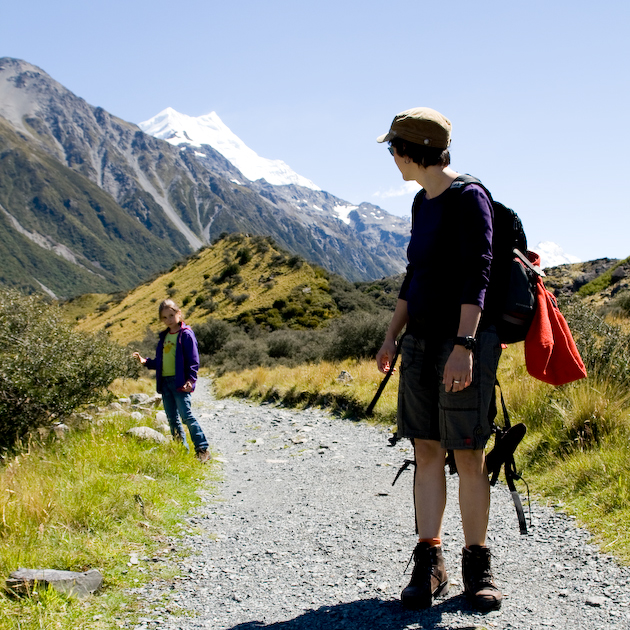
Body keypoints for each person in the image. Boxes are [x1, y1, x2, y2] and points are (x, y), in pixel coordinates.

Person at [375, 107, 502, 612]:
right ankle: (430, 565)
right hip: (420, 343)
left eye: (393, 149)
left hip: (461, 344)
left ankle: (477, 564)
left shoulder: (470, 198)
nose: (392, 158)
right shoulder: (420, 204)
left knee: (468, 454)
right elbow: (415, 276)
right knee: (426, 451)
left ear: (411, 151)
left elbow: (480, 275)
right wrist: (391, 337)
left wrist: (465, 346)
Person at [133, 299, 211, 463]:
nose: (168, 319)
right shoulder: (165, 336)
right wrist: (145, 361)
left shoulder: (186, 334)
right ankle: (180, 451)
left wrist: (191, 379)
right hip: (165, 383)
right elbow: (161, 361)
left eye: (171, 315)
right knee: (172, 419)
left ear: (179, 313)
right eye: (164, 317)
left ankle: (202, 449)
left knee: (186, 416)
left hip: (180, 382)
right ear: (161, 319)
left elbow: (193, 360)